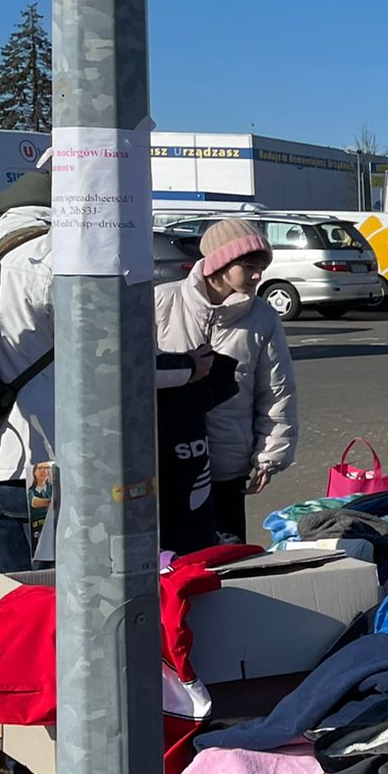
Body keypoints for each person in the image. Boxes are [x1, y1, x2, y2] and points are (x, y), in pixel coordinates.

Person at [154, 219, 298, 543]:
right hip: (166, 466)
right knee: (172, 566)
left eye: (261, 267)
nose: (258, 276)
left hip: (226, 468)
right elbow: (135, 374)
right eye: (249, 266)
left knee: (227, 567)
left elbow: (276, 391)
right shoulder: (162, 303)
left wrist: (269, 456)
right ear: (219, 263)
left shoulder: (263, 317)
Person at [0, 171, 55, 577]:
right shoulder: (53, 254)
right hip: (44, 466)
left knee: (6, 603)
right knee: (55, 597)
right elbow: (111, 358)